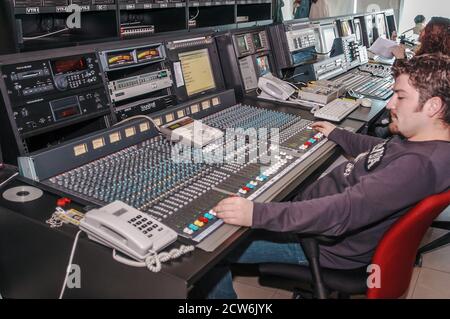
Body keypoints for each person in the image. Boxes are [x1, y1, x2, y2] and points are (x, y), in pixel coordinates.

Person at [194, 53, 450, 299]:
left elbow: (342, 212)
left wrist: (256, 214)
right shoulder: (426, 145)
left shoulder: (417, 167)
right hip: (326, 225)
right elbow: (381, 150)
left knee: (207, 253)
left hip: (320, 243)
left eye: (400, 97)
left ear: (433, 106)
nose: (391, 104)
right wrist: (338, 133)